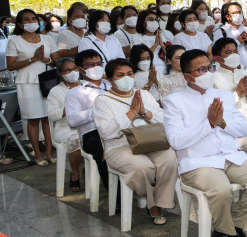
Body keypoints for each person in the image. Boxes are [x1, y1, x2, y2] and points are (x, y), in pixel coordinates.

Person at [163, 49, 247, 237]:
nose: (209, 72)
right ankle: (222, 233)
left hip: (229, 156)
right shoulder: (175, 101)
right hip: (197, 162)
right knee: (221, 189)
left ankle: (237, 228)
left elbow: (242, 129)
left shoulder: (222, 95)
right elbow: (175, 140)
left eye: (210, 67)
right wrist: (209, 123)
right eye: (201, 69)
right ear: (188, 76)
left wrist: (221, 122)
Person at [93, 59, 178, 225]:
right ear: (110, 80)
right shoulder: (102, 100)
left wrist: (144, 112)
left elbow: (165, 120)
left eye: (129, 74)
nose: (127, 77)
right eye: (120, 75)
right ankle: (154, 204)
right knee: (143, 166)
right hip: (120, 146)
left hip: (151, 141)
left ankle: (158, 200)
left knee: (170, 159)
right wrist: (131, 113)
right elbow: (106, 132)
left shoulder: (144, 94)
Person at [5, 9, 60, 166]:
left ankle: (49, 151)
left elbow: (57, 60)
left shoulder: (46, 39)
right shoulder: (14, 40)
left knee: (47, 118)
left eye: (33, 19)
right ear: (20, 24)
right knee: (34, 118)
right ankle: (37, 153)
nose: (31, 22)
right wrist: (33, 59)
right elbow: (10, 65)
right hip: (27, 83)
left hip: (47, 82)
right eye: (27, 20)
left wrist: (46, 60)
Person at [212, 38, 247, 161]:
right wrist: (237, 93)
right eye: (228, 52)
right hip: (233, 125)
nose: (234, 55)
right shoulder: (213, 78)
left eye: (235, 51)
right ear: (218, 58)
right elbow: (218, 107)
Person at [66, 49, 112, 189]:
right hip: (92, 133)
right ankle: (115, 194)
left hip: (117, 127)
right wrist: (96, 112)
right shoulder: (75, 93)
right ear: (80, 69)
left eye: (99, 63)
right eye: (91, 65)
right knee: (102, 148)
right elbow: (72, 120)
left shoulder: (111, 85)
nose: (96, 67)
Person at [47, 58, 83, 191]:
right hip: (65, 127)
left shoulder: (86, 85)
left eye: (74, 68)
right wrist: (67, 108)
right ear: (61, 74)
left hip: (86, 124)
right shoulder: (55, 91)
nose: (73, 72)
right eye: (68, 70)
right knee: (77, 140)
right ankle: (75, 172)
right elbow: (51, 114)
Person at [213, 2, 247, 69]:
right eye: (234, 13)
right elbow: (217, 53)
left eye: (239, 12)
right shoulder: (221, 32)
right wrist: (237, 42)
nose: (238, 15)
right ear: (227, 17)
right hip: (232, 70)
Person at [135, 9, 170, 75]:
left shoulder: (162, 37)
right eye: (150, 19)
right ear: (143, 23)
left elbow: (169, 56)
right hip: (148, 70)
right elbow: (141, 57)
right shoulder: (137, 38)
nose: (154, 22)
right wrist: (155, 44)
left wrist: (162, 45)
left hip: (164, 68)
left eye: (156, 19)